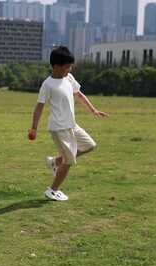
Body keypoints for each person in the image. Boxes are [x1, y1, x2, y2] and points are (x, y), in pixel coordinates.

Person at [28, 46, 109, 201]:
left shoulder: (69, 78)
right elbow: (39, 107)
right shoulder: (48, 84)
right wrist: (34, 128)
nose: (69, 69)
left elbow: (79, 94)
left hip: (72, 125)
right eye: (67, 66)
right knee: (70, 160)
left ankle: (55, 162)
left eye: (70, 66)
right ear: (56, 66)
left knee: (90, 145)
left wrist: (94, 110)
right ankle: (52, 190)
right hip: (58, 128)